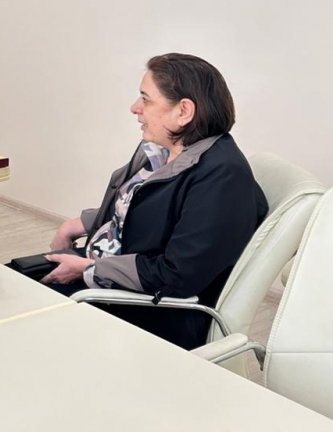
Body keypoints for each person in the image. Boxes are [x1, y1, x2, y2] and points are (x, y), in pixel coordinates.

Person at [39, 53, 268, 349]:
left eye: (146, 100)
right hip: (112, 273)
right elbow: (139, 208)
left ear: (183, 111)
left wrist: (87, 268)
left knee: (20, 310)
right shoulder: (163, 152)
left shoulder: (221, 177)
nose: (135, 108)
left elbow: (177, 274)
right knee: (8, 281)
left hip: (147, 308)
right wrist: (75, 225)